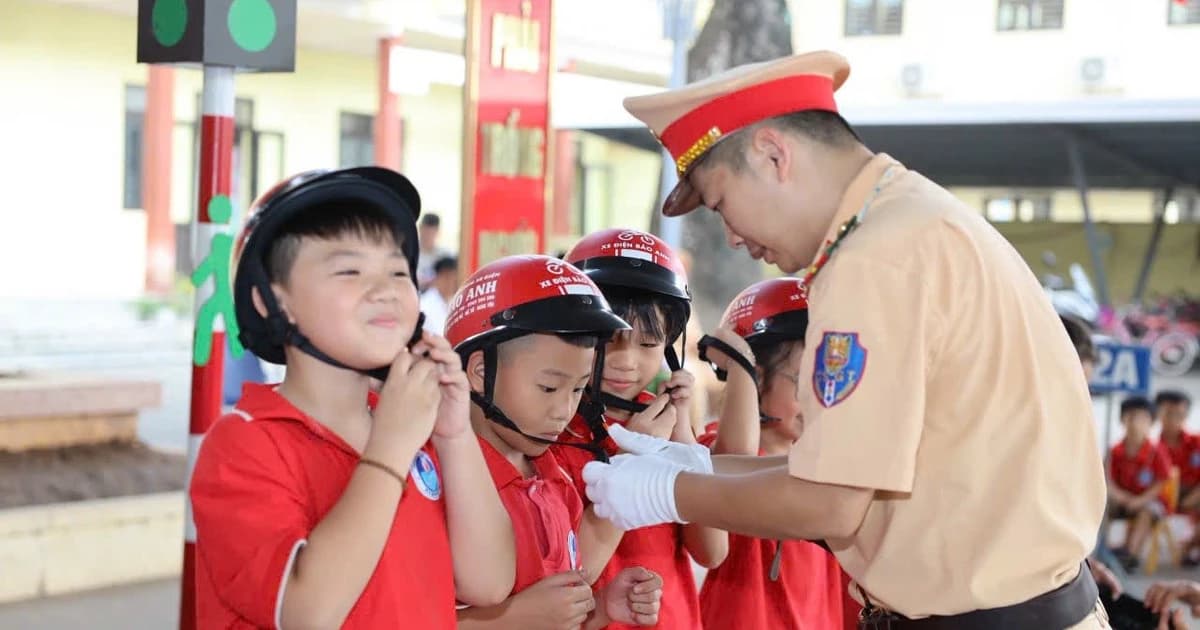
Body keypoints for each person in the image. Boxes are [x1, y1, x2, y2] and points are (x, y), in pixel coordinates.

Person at [581, 50, 1109, 628]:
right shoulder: (917, 220)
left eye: (721, 203)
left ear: (774, 154)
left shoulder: (870, 261)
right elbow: (839, 474)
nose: (732, 237)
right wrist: (694, 467)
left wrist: (668, 492)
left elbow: (830, 504)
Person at [189, 167, 515, 628]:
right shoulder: (244, 443)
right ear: (272, 302)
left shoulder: (413, 425)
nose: (384, 290)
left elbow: (489, 583)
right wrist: (390, 449)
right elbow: (307, 613)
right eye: (349, 270)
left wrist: (454, 433)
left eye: (398, 270)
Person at [446, 254, 663, 629]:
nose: (564, 409)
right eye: (548, 387)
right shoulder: (439, 484)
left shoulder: (554, 479)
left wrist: (597, 608)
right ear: (480, 372)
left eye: (579, 388)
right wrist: (513, 619)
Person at [554, 228, 729, 630]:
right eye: (610, 341)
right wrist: (631, 457)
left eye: (648, 344)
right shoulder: (553, 428)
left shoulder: (665, 423)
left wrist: (683, 436)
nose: (626, 361)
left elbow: (712, 551)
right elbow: (565, 568)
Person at [695, 277, 858, 630]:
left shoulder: (831, 466)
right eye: (803, 381)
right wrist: (740, 363)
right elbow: (734, 460)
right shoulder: (718, 446)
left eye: (829, 380)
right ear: (754, 379)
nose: (820, 399)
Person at [1107, 396, 1172, 572]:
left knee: (1146, 513)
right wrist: (1121, 497)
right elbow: (1108, 480)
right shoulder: (1115, 451)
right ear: (1122, 420)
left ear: (1151, 422)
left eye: (1142, 418)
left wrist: (1140, 501)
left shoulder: (1157, 451)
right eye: (1131, 417)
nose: (1136, 423)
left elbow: (1161, 482)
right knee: (1101, 506)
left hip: (1149, 501)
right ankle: (1100, 551)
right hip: (1123, 500)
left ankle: (1130, 555)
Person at [420, 255, 459, 336]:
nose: (451, 283)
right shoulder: (424, 305)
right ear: (437, 278)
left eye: (454, 278)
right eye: (447, 277)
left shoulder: (455, 300)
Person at [417, 213, 452, 290]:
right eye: (426, 231)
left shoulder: (445, 254)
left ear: (438, 232)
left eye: (431, 232)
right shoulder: (410, 252)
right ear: (420, 229)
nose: (428, 236)